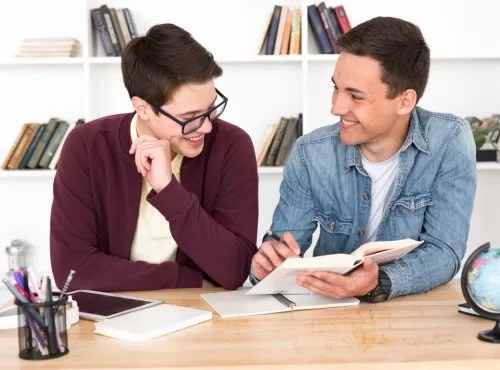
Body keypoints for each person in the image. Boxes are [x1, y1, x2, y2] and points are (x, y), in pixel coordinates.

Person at [249, 16, 477, 303]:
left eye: (355, 96)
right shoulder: (310, 153)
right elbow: (283, 249)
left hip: (409, 311)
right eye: (335, 88)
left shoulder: (450, 140)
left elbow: (445, 252)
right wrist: (266, 266)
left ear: (405, 101)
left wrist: (378, 282)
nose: (335, 107)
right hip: (330, 310)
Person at [50, 23, 259, 292]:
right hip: (115, 314)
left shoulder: (232, 145)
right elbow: (72, 272)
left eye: (210, 109)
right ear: (143, 108)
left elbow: (234, 269)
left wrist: (168, 190)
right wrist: (185, 278)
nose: (206, 126)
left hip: (205, 313)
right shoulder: (87, 146)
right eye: (190, 118)